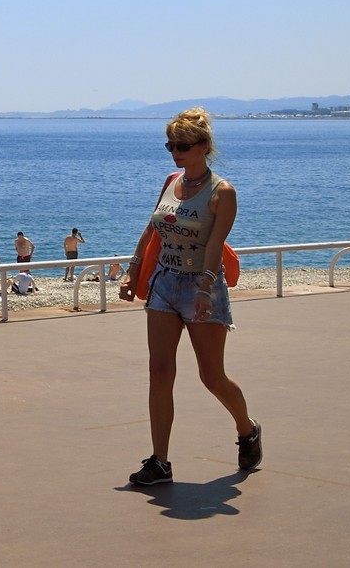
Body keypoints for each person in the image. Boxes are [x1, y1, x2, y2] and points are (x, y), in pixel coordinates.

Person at [119, 108, 260, 486]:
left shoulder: (222, 193)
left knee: (211, 376)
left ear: (203, 146)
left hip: (203, 287)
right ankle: (160, 462)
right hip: (164, 283)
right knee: (159, 371)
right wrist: (132, 271)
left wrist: (204, 289)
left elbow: (215, 246)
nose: (175, 152)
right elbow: (152, 229)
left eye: (182, 146)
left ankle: (247, 429)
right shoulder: (170, 180)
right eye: (170, 145)